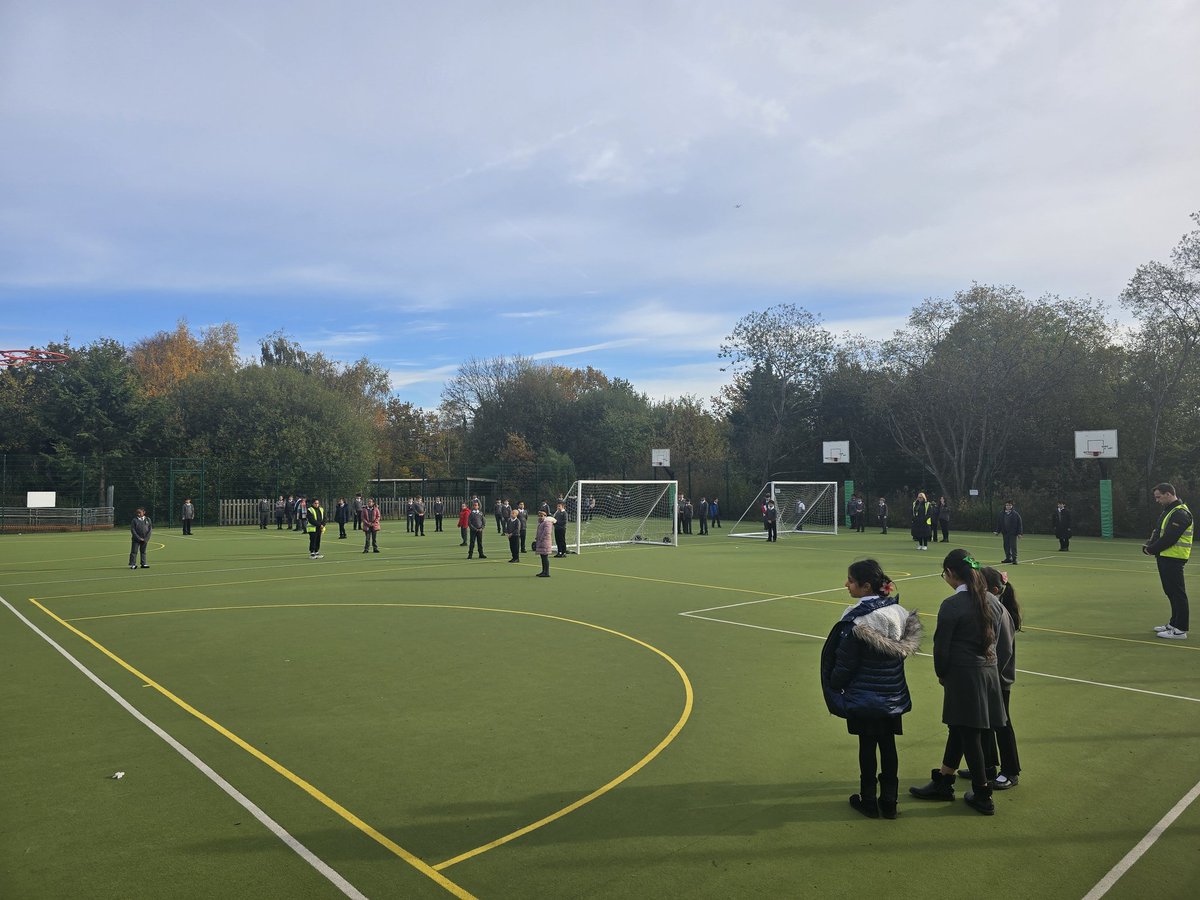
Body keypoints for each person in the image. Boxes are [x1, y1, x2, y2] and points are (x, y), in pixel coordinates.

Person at [909, 549, 1011, 815]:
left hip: (965, 675)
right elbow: (997, 639)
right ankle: (944, 780)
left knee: (969, 734)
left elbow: (942, 647)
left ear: (951, 573)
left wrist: (941, 672)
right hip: (988, 673)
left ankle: (983, 793)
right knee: (959, 727)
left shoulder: (952, 605)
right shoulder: (992, 600)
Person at [821, 559, 922, 819]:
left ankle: (868, 800)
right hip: (892, 694)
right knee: (888, 745)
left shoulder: (859, 620)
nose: (846, 584)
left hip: (864, 695)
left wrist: (834, 684)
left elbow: (845, 662)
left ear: (866, 586)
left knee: (867, 746)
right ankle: (889, 801)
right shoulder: (899, 611)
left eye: (851, 581)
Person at [960, 567, 1021, 790]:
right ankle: (987, 765)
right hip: (988, 677)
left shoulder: (999, 610)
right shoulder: (988, 607)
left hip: (998, 679)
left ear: (993, 589)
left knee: (1002, 724)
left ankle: (1011, 771)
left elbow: (1004, 650)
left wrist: (992, 675)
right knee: (984, 722)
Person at [1144, 483, 1192, 640]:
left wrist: (1151, 549)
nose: (1157, 500)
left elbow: (1170, 538)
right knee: (1170, 591)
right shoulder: (1169, 511)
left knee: (1177, 593)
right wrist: (1150, 545)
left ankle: (1180, 630)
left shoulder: (1180, 513)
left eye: (1159, 497)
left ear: (1169, 494)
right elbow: (1159, 531)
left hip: (1174, 558)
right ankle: (1174, 623)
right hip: (1166, 556)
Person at [994, 500, 1023, 564]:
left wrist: (1019, 533)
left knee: (1013, 546)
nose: (1008, 506)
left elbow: (1019, 524)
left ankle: (1014, 559)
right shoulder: (1001, 514)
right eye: (1007, 505)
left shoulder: (1015, 514)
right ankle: (1008, 558)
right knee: (1006, 546)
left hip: (1013, 533)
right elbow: (999, 523)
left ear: (1012, 506)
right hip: (1005, 533)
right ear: (1005, 506)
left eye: (1010, 505)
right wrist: (997, 531)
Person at [534, 508, 553, 576]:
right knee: (543, 557)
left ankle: (546, 572)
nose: (540, 517)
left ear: (545, 516)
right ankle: (543, 571)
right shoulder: (541, 523)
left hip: (544, 542)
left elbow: (547, 532)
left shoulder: (547, 522)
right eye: (539, 516)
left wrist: (540, 539)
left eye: (542, 516)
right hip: (541, 542)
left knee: (545, 558)